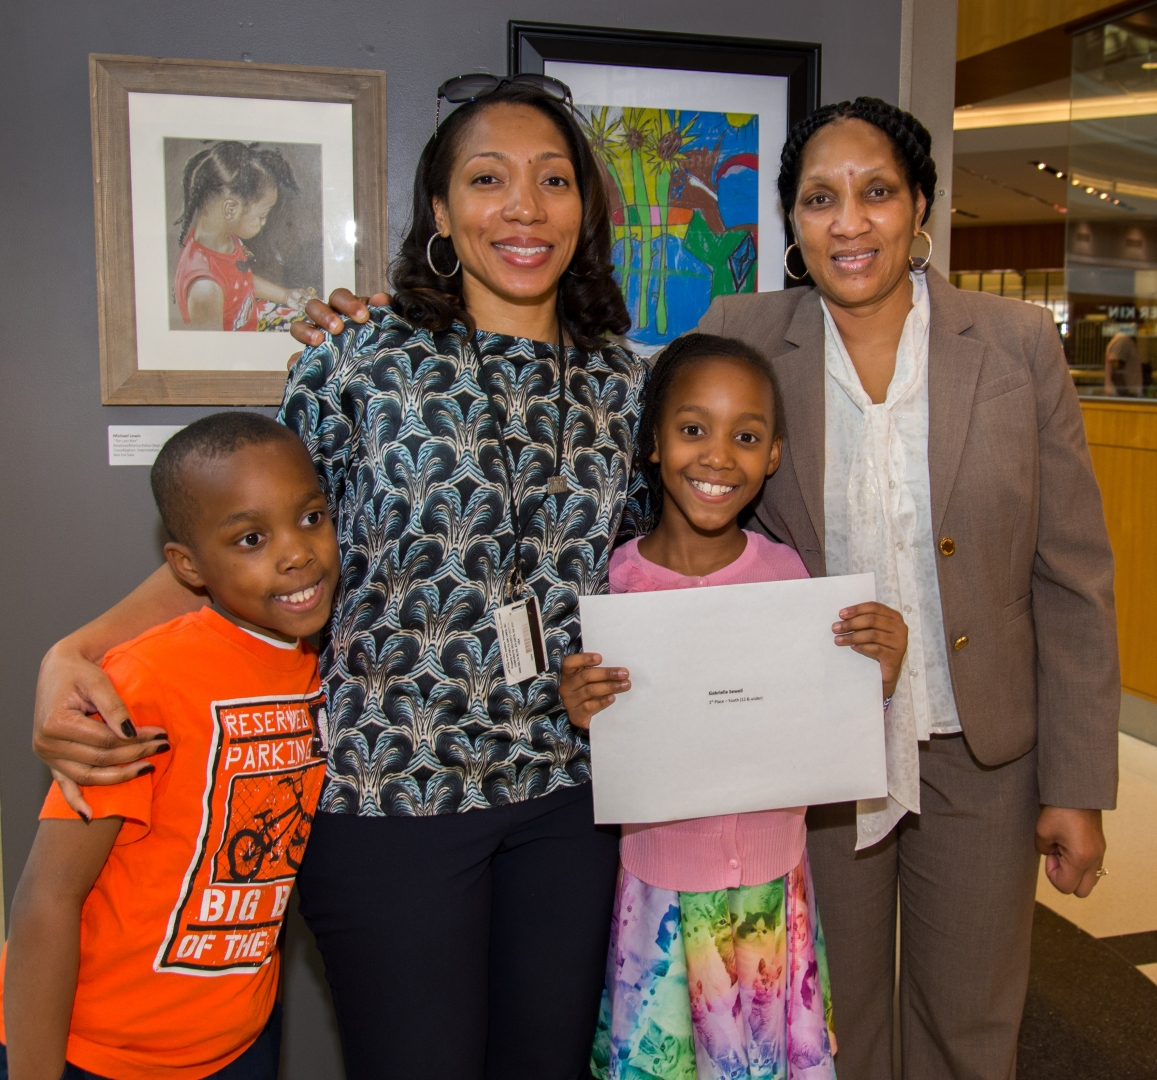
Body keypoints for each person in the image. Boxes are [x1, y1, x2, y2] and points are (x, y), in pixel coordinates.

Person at [278, 95, 1121, 1077]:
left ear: (919, 203)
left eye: (876, 193)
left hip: (893, 750)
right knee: (823, 1021)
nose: (847, 221)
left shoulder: (1005, 343)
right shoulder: (370, 359)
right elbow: (261, 547)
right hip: (460, 790)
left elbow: (1070, 575)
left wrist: (1075, 781)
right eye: (817, 199)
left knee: (957, 1024)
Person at [31, 77, 647, 1080]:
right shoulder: (355, 359)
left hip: (567, 797)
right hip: (387, 801)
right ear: (441, 212)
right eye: (487, 180)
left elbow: (655, 570)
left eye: (553, 181)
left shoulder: (626, 382)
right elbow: (254, 556)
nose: (524, 208)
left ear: (586, 207)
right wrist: (79, 647)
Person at [561, 332, 908, 1080]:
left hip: (769, 895)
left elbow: (823, 732)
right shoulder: (611, 586)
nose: (717, 457)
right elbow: (594, 751)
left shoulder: (789, 579)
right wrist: (580, 711)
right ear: (652, 442)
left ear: (773, 456)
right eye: (692, 430)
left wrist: (873, 675)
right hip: (654, 893)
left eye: (744, 437)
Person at [1, 412, 340, 1080]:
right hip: (97, 1053)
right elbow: (48, 898)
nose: (296, 552)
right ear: (188, 566)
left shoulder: (325, 667)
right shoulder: (142, 681)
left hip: (235, 1044)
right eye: (249, 537)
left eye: (311, 518)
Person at [174, 141, 314, 332]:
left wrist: (284, 295)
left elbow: (240, 279)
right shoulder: (205, 288)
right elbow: (212, 354)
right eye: (262, 215)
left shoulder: (221, 239)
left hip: (252, 316)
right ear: (231, 209)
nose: (263, 222)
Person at [1103, 330, 1144, 397]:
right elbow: (1116, 373)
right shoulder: (1122, 341)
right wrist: (1126, 396)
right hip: (1122, 397)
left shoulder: (1128, 341)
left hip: (1130, 396)